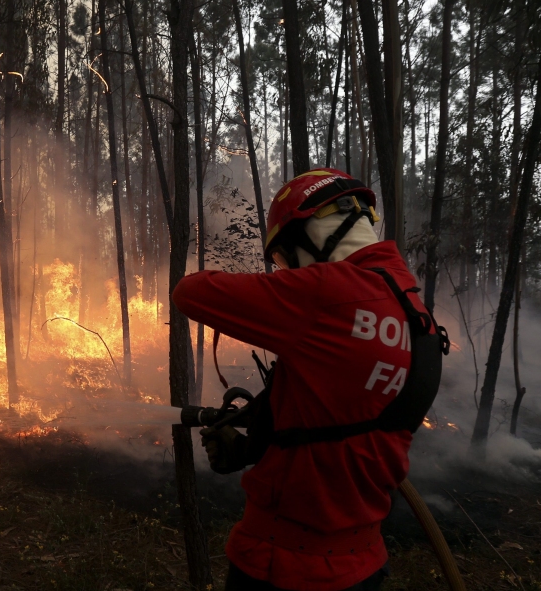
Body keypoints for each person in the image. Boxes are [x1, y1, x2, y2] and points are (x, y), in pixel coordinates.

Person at [172, 168, 440, 591]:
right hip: (364, 566)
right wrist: (250, 444)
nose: (285, 272)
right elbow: (339, 419)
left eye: (282, 260)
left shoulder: (328, 292)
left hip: (281, 565)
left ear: (309, 235)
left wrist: (278, 290)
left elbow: (191, 292)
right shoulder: (417, 317)